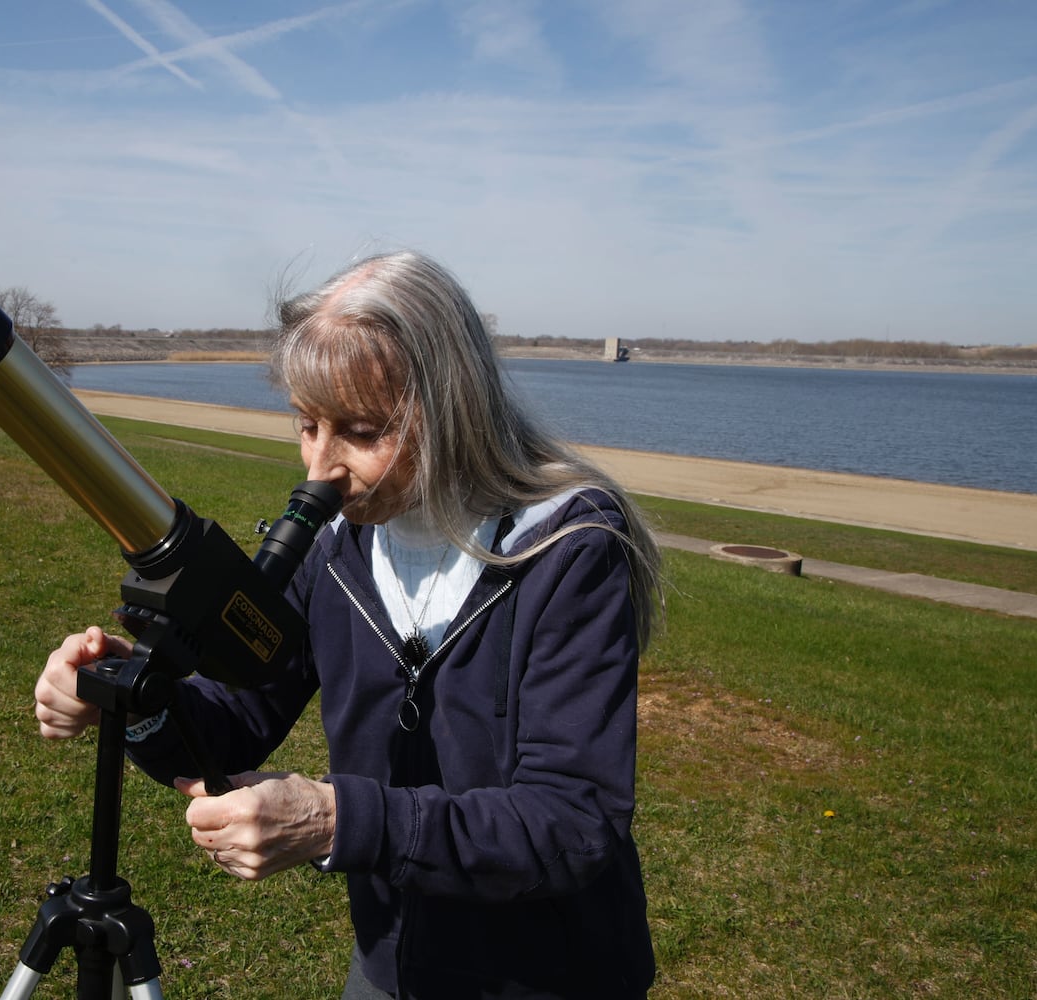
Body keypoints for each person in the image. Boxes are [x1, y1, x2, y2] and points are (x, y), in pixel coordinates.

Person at [35, 250, 663, 999]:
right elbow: (236, 717)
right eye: (306, 424)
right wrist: (132, 692)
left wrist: (339, 822)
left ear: (453, 409)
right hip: (390, 963)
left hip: (547, 976)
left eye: (362, 431)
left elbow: (572, 820)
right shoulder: (337, 543)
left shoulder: (567, 546)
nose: (320, 468)